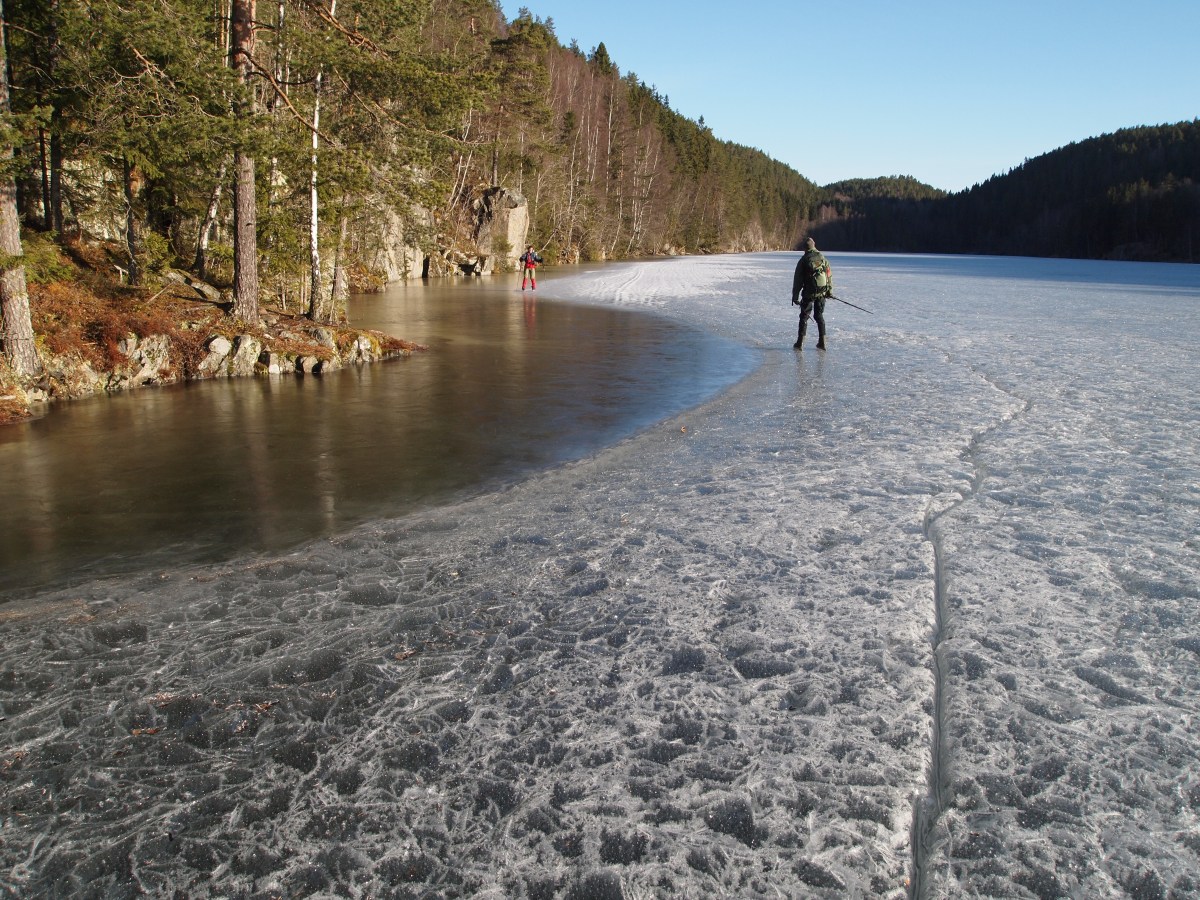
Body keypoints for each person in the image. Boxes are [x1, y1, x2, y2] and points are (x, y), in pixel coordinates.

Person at [791, 237, 831, 350]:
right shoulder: (822, 258)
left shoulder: (804, 260)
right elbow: (828, 275)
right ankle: (822, 342)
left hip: (808, 292)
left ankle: (800, 343)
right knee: (819, 316)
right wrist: (829, 291)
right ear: (814, 245)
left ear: (805, 248)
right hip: (822, 291)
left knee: (804, 316)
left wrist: (795, 296)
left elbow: (797, 280)